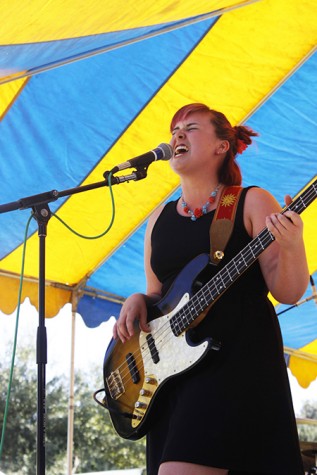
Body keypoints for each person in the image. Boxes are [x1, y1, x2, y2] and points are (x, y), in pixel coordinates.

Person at [113, 103, 309, 475]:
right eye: (174, 131)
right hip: (169, 376)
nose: (178, 136)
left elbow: (288, 291)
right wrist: (138, 299)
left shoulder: (250, 200)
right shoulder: (158, 219)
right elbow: (157, 298)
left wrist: (291, 244)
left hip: (233, 362)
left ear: (222, 146)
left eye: (191, 128)